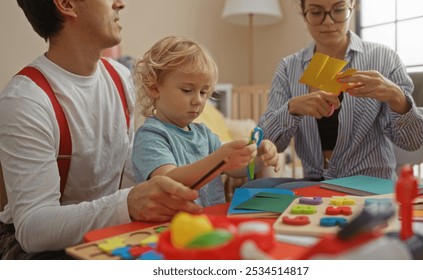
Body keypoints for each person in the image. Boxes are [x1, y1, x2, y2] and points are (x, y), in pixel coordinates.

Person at [0, 0, 201, 259]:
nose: (120, 3)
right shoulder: (26, 100)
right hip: (37, 251)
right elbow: (33, 229)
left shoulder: (121, 78)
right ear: (66, 4)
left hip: (108, 232)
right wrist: (127, 204)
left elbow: (129, 175)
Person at [256, 0, 423, 186]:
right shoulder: (289, 68)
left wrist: (397, 97)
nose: (328, 21)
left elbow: (412, 142)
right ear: (303, 12)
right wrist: (291, 108)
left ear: (352, 6)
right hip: (315, 187)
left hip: (372, 184)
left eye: (338, 10)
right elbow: (267, 143)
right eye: (315, 12)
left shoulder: (384, 59)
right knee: (253, 189)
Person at [132, 36, 281, 206]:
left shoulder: (204, 134)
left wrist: (258, 157)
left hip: (208, 222)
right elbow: (167, 181)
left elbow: (235, 169)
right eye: (187, 90)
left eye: (203, 92)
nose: (198, 100)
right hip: (171, 225)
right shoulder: (151, 135)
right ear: (155, 88)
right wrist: (219, 159)